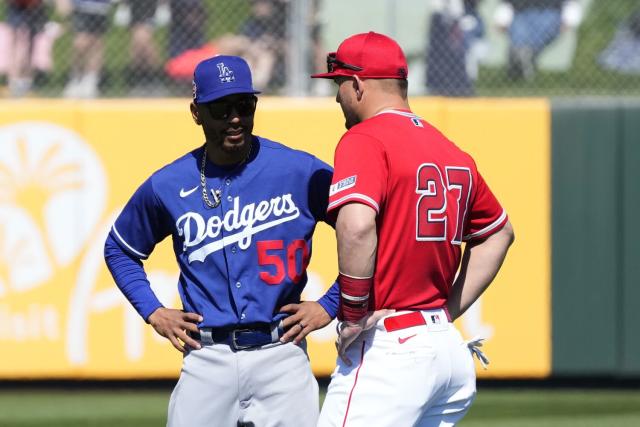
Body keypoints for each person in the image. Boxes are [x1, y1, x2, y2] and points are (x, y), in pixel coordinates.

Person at [104, 55, 338, 426]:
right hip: (206, 358)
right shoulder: (168, 184)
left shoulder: (299, 170)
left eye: (244, 106)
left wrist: (332, 303)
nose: (234, 118)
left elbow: (369, 229)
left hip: (282, 353)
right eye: (221, 108)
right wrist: (153, 311)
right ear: (196, 112)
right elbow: (119, 249)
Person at [311, 31, 514, 426]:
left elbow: (355, 227)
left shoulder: (365, 138)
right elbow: (498, 234)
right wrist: (444, 313)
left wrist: (351, 315)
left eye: (338, 84)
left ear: (356, 84)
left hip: (392, 351)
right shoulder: (450, 148)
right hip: (446, 351)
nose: (337, 96)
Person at [494, 0, 582, 80]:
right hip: (521, 13)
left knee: (545, 26)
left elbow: (571, 3)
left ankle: (523, 56)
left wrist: (569, 19)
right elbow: (507, 4)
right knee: (519, 32)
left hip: (550, 12)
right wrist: (502, 20)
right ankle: (522, 56)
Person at [63, 0, 113, 98]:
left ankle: (91, 80)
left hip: (101, 8)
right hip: (81, 7)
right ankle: (75, 79)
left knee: (96, 44)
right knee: (79, 43)